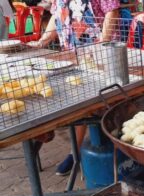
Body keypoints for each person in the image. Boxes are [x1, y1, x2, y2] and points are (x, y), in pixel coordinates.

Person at [28, 0, 120, 176]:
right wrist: (42, 41)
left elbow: (112, 12)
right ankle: (64, 145)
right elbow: (57, 16)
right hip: (71, 54)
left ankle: (83, 153)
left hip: (98, 56)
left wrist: (102, 44)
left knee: (95, 104)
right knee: (70, 96)